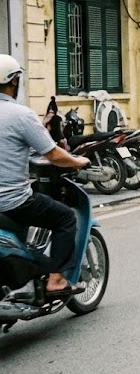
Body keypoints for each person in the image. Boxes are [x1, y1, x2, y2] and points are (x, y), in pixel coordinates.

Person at [0, 54, 90, 296]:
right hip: (11, 202)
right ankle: (56, 280)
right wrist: (78, 162)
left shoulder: (23, 119)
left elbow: (20, 147)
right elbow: (53, 155)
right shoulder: (20, 115)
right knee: (64, 218)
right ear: (14, 82)